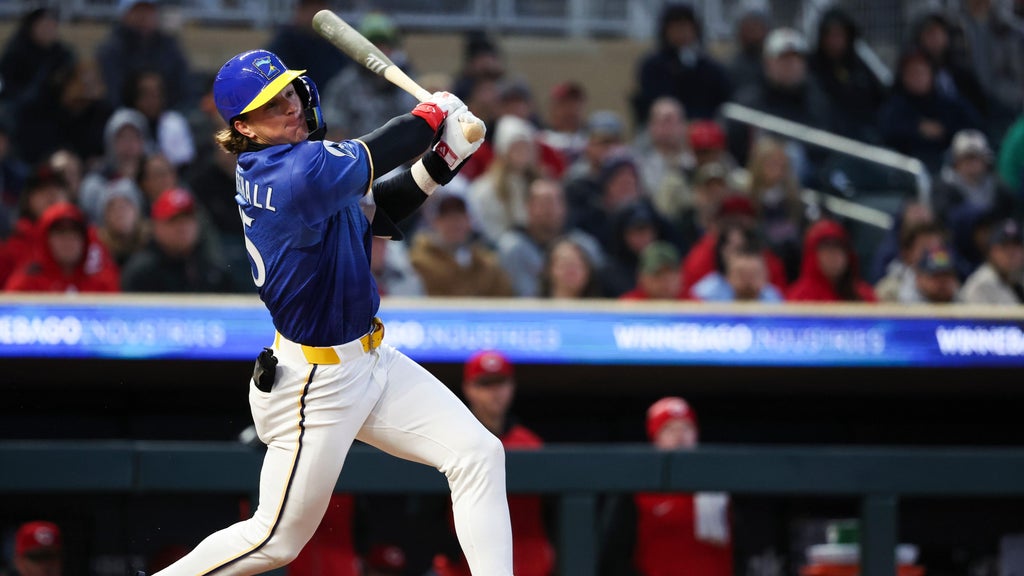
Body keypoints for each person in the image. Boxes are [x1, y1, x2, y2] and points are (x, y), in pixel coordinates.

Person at [139, 48, 511, 576]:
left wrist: (443, 160)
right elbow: (381, 147)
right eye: (271, 105)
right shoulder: (285, 173)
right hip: (315, 381)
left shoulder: (302, 163)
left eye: (288, 92)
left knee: (478, 454)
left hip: (370, 359)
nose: (290, 106)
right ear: (244, 127)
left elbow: (376, 210)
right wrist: (432, 114)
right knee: (274, 540)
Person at [436, 351, 555, 576]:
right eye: (485, 384)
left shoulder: (530, 444)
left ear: (512, 386)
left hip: (528, 562)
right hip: (465, 565)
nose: (495, 392)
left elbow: (551, 512)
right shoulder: (450, 439)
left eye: (500, 383)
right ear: (468, 388)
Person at [600, 397, 732, 576]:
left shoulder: (721, 485)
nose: (680, 436)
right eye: (670, 429)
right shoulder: (637, 489)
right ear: (655, 438)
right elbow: (614, 555)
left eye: (687, 428)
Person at [877, 48, 980, 174]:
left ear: (931, 74)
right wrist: (917, 129)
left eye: (922, 72)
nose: (918, 78)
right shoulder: (894, 107)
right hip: (907, 170)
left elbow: (973, 126)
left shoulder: (948, 102)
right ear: (903, 77)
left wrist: (943, 130)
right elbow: (886, 133)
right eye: (912, 73)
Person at [497, 177, 603, 297]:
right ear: (528, 207)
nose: (550, 208)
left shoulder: (583, 245)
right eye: (543, 203)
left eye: (556, 201)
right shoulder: (514, 247)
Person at [320, 12, 417, 141]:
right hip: (357, 151)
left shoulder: (407, 84)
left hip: (398, 151)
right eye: (373, 46)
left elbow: (416, 129)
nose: (380, 51)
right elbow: (332, 129)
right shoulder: (344, 85)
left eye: (384, 45)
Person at [632, 2, 732, 124]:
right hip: (664, 127)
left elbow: (723, 101)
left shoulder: (710, 67)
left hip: (705, 127)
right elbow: (650, 102)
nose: (681, 33)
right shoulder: (653, 66)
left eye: (685, 28)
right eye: (675, 28)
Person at [119, 187, 233, 293]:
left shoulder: (212, 268)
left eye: (188, 218)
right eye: (174, 220)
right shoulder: (142, 272)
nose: (183, 226)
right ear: (156, 226)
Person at [409, 190, 514, 297]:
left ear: (469, 220)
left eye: (460, 214)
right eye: (446, 216)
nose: (454, 222)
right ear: (435, 222)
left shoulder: (486, 264)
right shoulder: (418, 263)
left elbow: (505, 297)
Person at [808, 7, 887, 143]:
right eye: (830, 35)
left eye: (839, 35)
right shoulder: (812, 67)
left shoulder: (859, 65)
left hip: (866, 135)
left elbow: (880, 98)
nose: (834, 41)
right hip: (829, 138)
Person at [5, 201, 120, 293]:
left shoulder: (102, 282)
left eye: (74, 233)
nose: (68, 240)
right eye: (60, 233)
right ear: (45, 239)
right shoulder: (26, 284)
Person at [96, 0, 191, 110]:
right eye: (138, 11)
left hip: (167, 112)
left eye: (149, 11)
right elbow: (112, 92)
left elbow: (184, 86)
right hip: (125, 112)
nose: (144, 17)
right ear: (125, 14)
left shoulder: (169, 45)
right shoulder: (111, 49)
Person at [932, 129, 1017, 226]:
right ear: (956, 161)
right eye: (966, 158)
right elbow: (943, 217)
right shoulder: (944, 187)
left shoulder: (998, 187)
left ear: (985, 160)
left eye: (975, 158)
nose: (971, 164)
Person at [786, 219, 876, 302]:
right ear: (812, 256)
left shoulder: (863, 294)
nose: (834, 256)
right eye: (826, 249)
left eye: (839, 248)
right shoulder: (799, 298)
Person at [874, 222, 948, 303]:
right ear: (907, 253)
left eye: (937, 249)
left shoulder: (951, 287)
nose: (932, 255)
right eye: (925, 249)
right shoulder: (890, 291)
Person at [960, 218, 1024, 304]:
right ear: (991, 252)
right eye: (1004, 247)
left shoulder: (1018, 279)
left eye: (1016, 247)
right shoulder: (980, 285)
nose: (1011, 254)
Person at [539, 236, 604, 299]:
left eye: (577, 264)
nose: (571, 270)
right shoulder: (534, 304)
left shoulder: (604, 305)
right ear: (548, 270)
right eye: (564, 264)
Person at [619, 241, 685, 300]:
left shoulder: (689, 304)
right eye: (657, 274)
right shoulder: (628, 305)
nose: (665, 280)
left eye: (670, 273)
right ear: (641, 277)